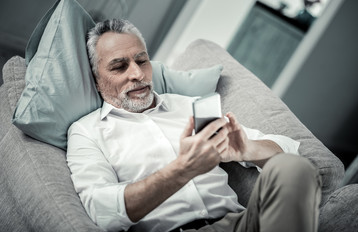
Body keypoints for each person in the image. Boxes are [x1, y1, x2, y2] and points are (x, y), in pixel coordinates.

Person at [66, 19, 322, 232]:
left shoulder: (188, 106)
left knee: (294, 168)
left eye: (142, 61)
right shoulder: (86, 131)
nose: (137, 74)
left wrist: (247, 149)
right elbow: (101, 210)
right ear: (97, 80)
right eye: (119, 66)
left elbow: (291, 152)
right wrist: (182, 170)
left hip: (238, 224)